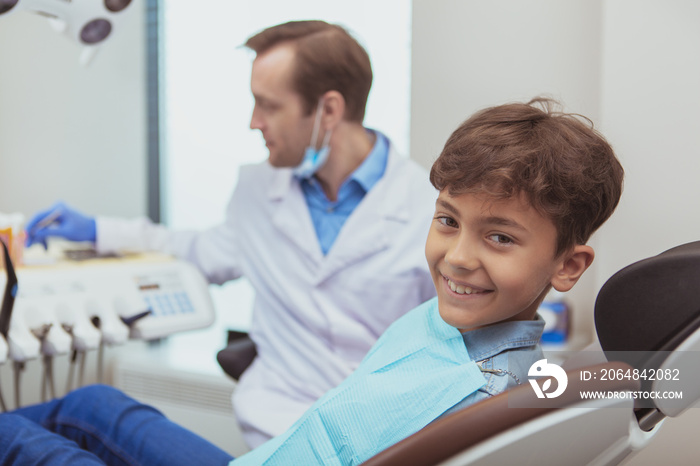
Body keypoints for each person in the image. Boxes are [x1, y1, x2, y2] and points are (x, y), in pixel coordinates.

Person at [2, 97, 624, 465]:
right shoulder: (451, 320)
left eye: (500, 237)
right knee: (94, 402)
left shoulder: (487, 398)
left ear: (568, 264)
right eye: (446, 221)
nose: (456, 258)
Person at [23, 21, 438, 447]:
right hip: (276, 436)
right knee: (93, 406)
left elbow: (452, 357)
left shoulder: (431, 211)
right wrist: (98, 230)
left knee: (37, 436)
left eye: (268, 105)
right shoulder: (258, 190)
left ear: (328, 111)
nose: (254, 122)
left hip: (378, 443)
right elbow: (197, 251)